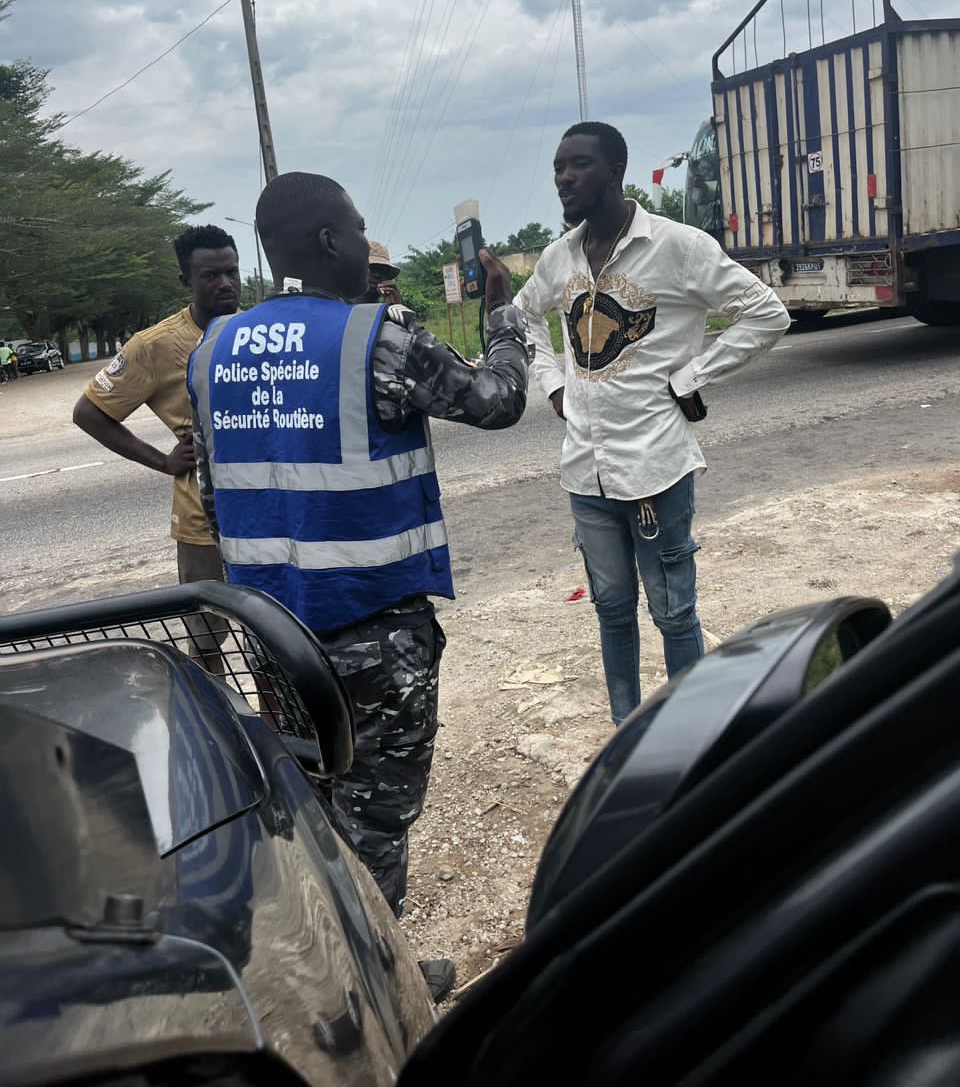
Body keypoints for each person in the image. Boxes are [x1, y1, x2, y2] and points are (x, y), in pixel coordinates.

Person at [187, 171, 529, 920]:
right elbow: (499, 402)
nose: (365, 240)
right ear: (331, 241)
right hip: (373, 631)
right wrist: (502, 317)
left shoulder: (213, 349)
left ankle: (327, 946)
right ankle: (375, 972)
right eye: (358, 227)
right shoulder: (377, 339)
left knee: (310, 798)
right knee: (375, 816)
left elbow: (214, 497)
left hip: (272, 634)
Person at [516, 121, 790, 724]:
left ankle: (689, 737)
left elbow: (766, 313)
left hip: (655, 470)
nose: (564, 178)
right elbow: (523, 316)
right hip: (585, 475)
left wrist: (691, 377)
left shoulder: (677, 247)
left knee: (673, 613)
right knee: (612, 611)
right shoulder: (559, 258)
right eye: (559, 167)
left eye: (579, 164)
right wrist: (553, 383)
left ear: (616, 171)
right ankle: (627, 732)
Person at [73, 226, 242, 669]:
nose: (226, 283)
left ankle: (276, 713)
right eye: (211, 276)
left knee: (279, 635)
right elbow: (89, 413)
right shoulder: (154, 345)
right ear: (186, 281)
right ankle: (213, 711)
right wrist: (163, 461)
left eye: (232, 272)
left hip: (270, 512)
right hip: (202, 520)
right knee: (207, 637)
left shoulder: (260, 331)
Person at [360, 240, 403, 306]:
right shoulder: (343, 307)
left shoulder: (384, 309)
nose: (377, 275)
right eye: (371, 267)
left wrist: (395, 307)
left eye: (383, 270)